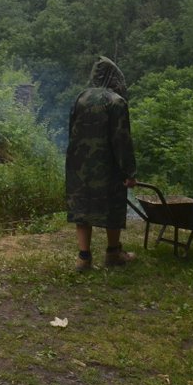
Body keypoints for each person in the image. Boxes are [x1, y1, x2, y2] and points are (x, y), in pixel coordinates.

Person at [66, 57, 138, 272]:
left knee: (82, 207)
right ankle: (113, 253)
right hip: (107, 167)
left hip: (79, 165)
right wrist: (129, 171)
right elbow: (122, 140)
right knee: (114, 206)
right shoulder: (116, 102)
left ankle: (84, 258)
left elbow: (71, 131)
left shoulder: (81, 98)